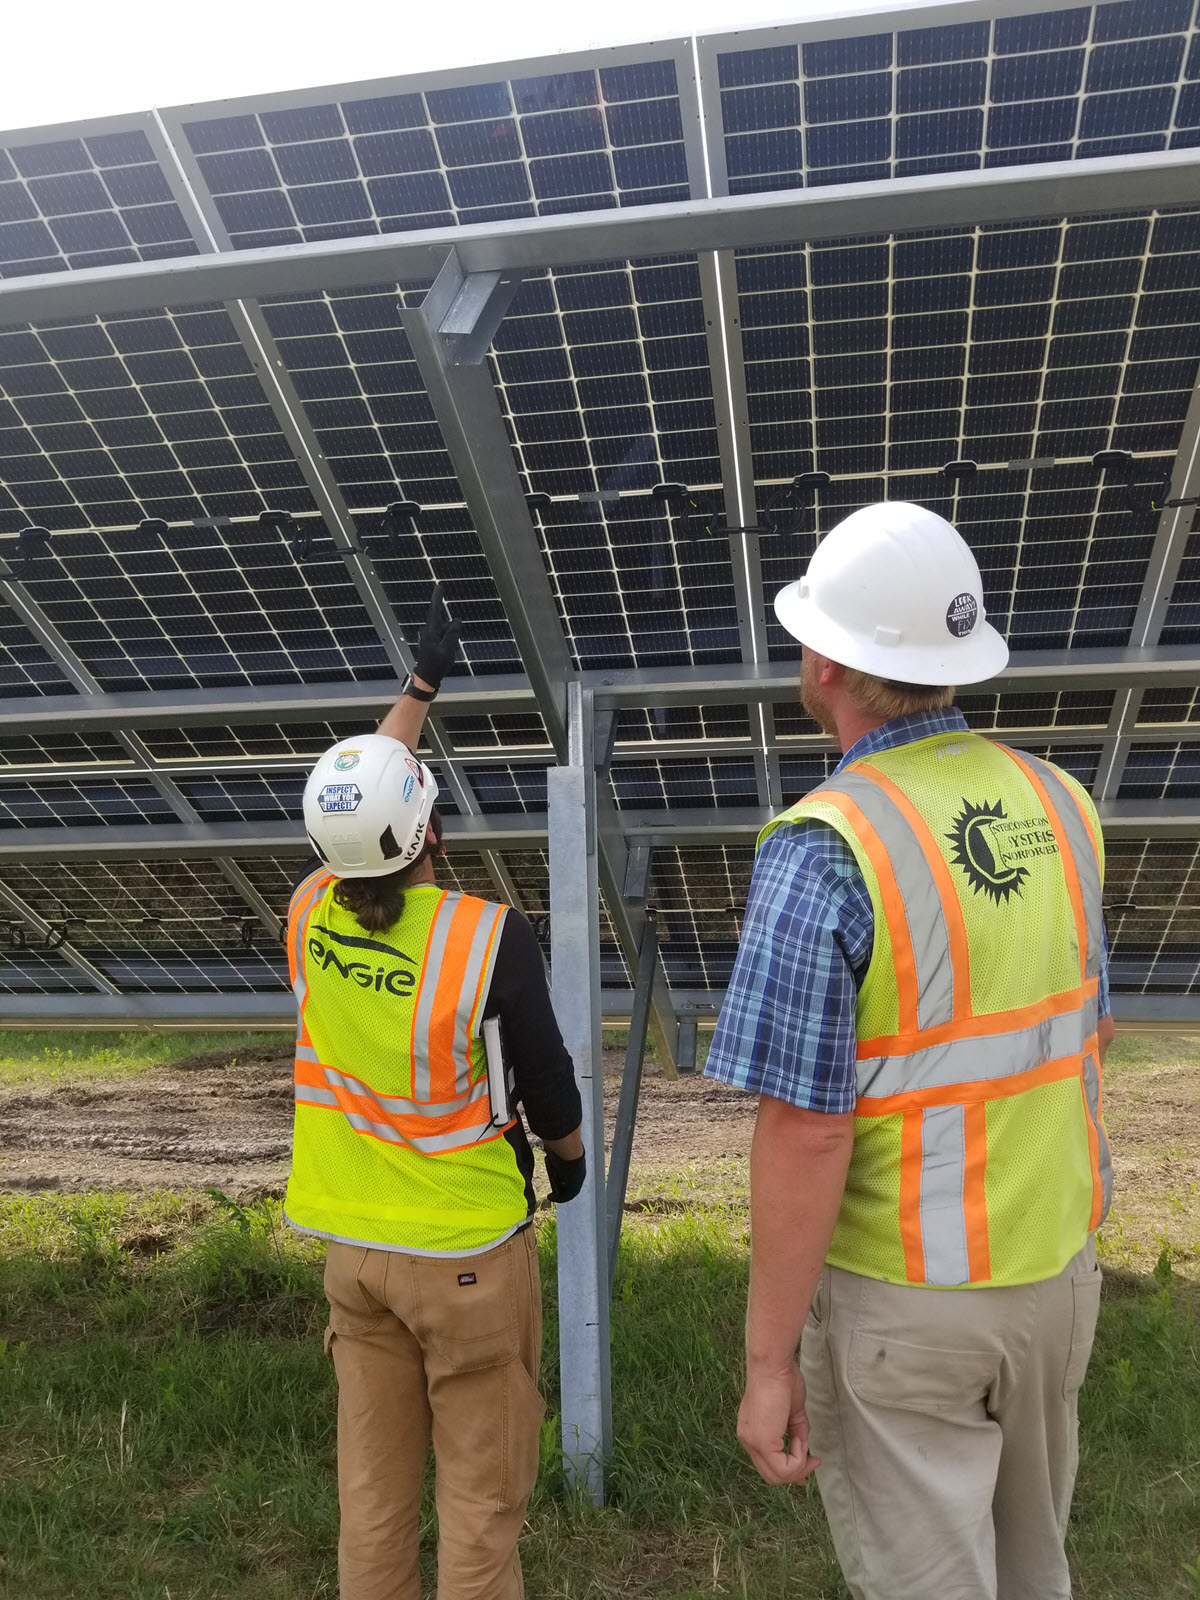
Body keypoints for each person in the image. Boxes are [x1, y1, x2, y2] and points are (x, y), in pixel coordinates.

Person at [705, 503, 1112, 1600]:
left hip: (910, 1307)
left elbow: (806, 1125)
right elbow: (1091, 1032)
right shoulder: (1061, 803)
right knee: (1037, 1574)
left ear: (827, 659)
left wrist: (766, 1365)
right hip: (1058, 1278)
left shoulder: (826, 845)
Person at [284, 587, 586, 1600]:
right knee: (480, 1503)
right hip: (462, 1259)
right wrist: (573, 1161)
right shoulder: (483, 937)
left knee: (372, 1498)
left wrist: (418, 688)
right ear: (432, 828)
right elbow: (547, 1080)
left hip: (354, 1256)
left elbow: (360, 813)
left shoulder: (307, 917)